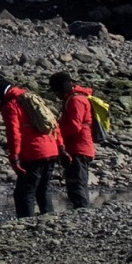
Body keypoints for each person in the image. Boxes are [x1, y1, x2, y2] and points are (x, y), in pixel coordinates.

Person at [0, 73, 61, 217]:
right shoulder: (31, 99)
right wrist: (60, 146)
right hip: (51, 149)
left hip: (34, 152)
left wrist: (15, 156)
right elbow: (53, 123)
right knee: (43, 189)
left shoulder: (11, 105)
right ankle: (50, 219)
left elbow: (14, 133)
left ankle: (26, 223)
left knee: (24, 193)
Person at [52, 70, 101, 208]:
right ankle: (81, 211)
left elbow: (74, 126)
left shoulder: (75, 100)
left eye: (55, 91)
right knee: (77, 183)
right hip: (80, 147)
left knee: (77, 184)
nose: (55, 95)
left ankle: (82, 212)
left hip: (79, 148)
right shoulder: (76, 98)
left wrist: (56, 135)